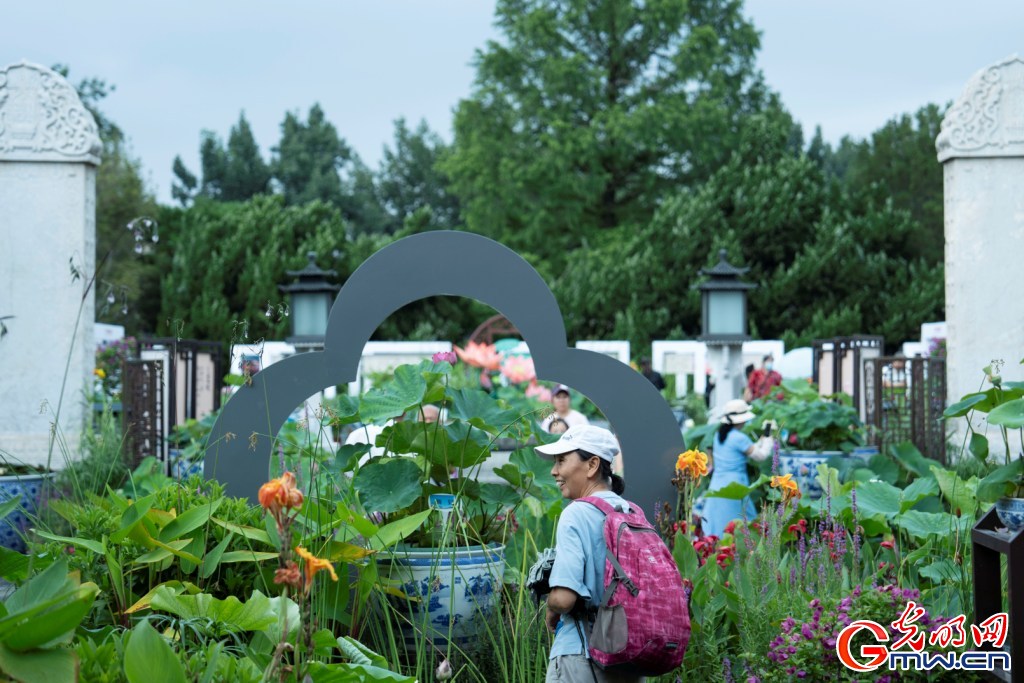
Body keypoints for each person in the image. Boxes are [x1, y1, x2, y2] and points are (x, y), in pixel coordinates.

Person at [534, 425, 640, 683]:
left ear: (592, 465)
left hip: (581, 657)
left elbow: (564, 598)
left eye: (561, 460)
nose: (554, 471)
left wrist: (551, 607)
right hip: (628, 656)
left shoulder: (576, 512)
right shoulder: (632, 512)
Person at [701, 399, 774, 537]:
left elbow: (749, 449)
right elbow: (761, 456)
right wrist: (769, 441)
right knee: (740, 521)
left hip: (717, 483)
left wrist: (762, 441)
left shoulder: (719, 435)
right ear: (741, 420)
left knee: (718, 521)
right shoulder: (739, 438)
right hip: (735, 483)